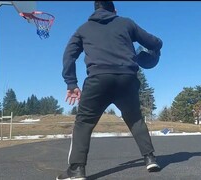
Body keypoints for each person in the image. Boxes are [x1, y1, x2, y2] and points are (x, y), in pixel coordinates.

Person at [57, 1, 163, 180]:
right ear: (114, 10)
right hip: (126, 79)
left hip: (99, 79)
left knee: (84, 122)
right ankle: (150, 158)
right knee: (135, 119)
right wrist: (156, 48)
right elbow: (154, 42)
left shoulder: (83, 29)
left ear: (95, 9)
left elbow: (69, 55)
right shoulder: (126, 23)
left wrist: (71, 83)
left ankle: (76, 170)